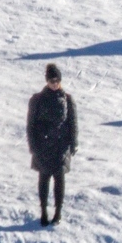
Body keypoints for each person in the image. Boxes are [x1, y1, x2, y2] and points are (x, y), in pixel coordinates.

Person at [27, 63, 77, 227]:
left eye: (57, 80)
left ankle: (58, 212)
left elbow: (73, 123)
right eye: (51, 80)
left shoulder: (67, 99)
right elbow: (31, 125)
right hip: (43, 146)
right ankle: (43, 211)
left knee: (59, 179)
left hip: (61, 146)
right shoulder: (37, 100)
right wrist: (33, 146)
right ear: (47, 81)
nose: (54, 83)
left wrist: (73, 142)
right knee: (44, 179)